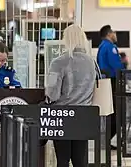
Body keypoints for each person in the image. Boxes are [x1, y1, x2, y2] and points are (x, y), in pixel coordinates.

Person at [45, 24, 95, 167]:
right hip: (84, 116)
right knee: (80, 160)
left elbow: (52, 93)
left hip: (63, 116)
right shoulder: (92, 63)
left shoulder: (59, 62)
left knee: (63, 159)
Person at [97, 25, 124, 150]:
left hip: (105, 82)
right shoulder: (110, 47)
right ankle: (107, 139)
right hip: (113, 82)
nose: (115, 34)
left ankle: (106, 140)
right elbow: (116, 66)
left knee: (110, 111)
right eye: (113, 32)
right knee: (116, 113)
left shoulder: (102, 46)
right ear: (109, 34)